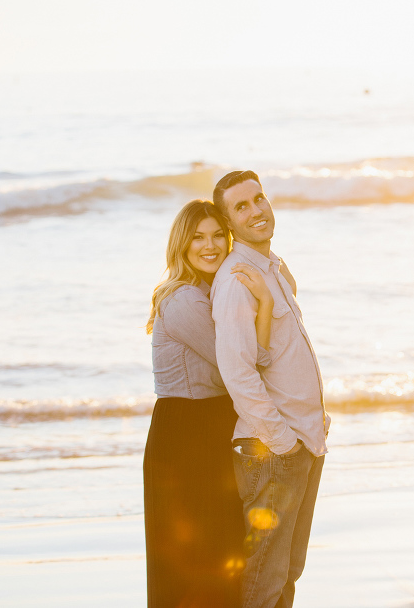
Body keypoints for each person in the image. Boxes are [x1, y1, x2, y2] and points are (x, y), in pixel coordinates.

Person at [143, 199, 276, 608]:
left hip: (212, 426)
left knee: (222, 552)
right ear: (181, 245)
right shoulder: (184, 299)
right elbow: (247, 363)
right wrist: (267, 306)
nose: (210, 245)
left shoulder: (213, 292)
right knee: (194, 559)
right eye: (198, 237)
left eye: (219, 235)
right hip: (186, 434)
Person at [210, 171, 329, 608]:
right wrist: (282, 442)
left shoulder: (273, 269)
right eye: (241, 207)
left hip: (304, 441)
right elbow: (237, 373)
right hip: (276, 450)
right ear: (229, 222)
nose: (257, 210)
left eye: (258, 199)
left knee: (287, 573)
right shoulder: (237, 281)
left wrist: (313, 428)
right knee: (264, 578)